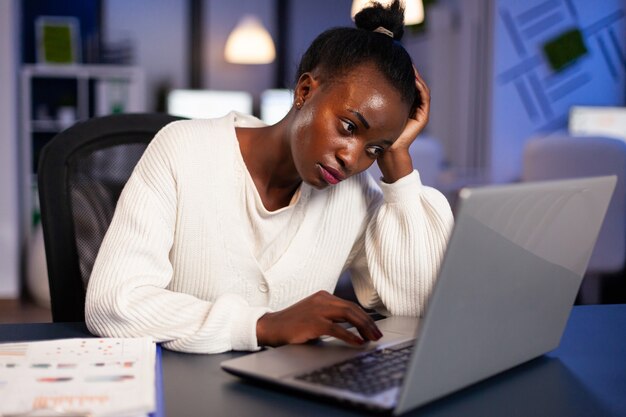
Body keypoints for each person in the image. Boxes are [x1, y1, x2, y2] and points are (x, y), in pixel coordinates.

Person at [85, 0, 454, 354]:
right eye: (348, 126)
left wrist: (397, 161)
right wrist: (261, 325)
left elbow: (417, 306)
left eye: (373, 149)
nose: (351, 158)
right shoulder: (183, 150)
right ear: (305, 91)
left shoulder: (354, 194)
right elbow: (113, 301)